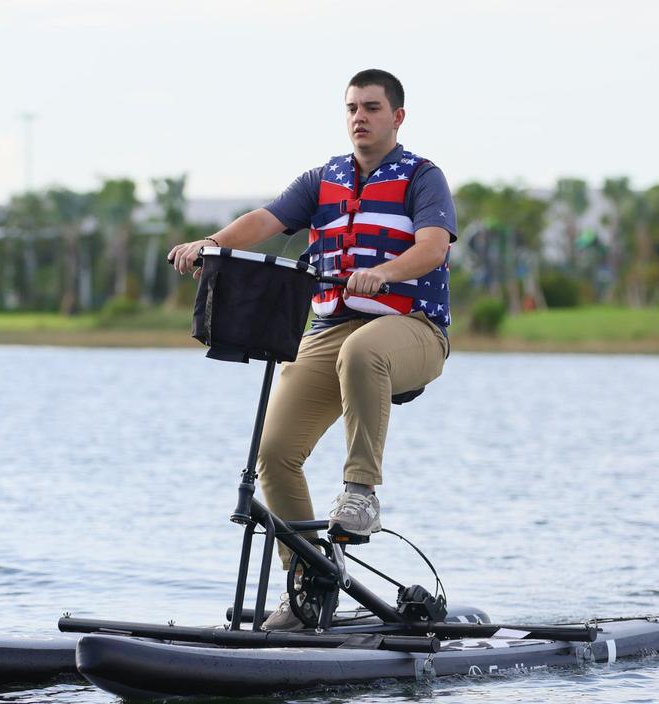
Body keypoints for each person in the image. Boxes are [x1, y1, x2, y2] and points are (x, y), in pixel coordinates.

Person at [168, 69, 456, 630]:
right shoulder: (323, 179)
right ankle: (309, 585)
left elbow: (433, 248)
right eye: (352, 107)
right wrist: (211, 244)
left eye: (372, 108)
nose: (359, 117)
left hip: (413, 329)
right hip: (329, 333)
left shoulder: (423, 177)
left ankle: (361, 493)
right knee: (273, 456)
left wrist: (384, 273)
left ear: (397, 117)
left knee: (364, 350)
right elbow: (265, 220)